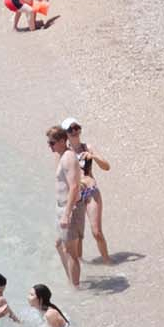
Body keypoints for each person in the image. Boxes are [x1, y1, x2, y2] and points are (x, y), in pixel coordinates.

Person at [60, 120, 110, 261]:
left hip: (91, 192)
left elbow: (107, 167)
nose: (75, 131)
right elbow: (60, 176)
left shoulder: (87, 147)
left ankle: (108, 262)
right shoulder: (65, 153)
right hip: (75, 196)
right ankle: (81, 266)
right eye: (71, 129)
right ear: (65, 133)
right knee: (78, 237)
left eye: (77, 128)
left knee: (96, 232)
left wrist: (93, 156)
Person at [49, 124, 84, 287]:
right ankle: (71, 281)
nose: (50, 147)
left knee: (71, 252)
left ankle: (75, 287)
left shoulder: (68, 158)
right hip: (62, 207)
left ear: (62, 141)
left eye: (52, 143)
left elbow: (74, 187)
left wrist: (66, 214)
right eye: (49, 143)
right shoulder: (62, 156)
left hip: (69, 209)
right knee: (59, 245)